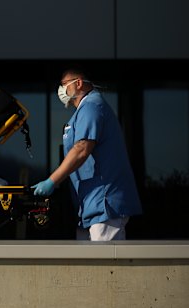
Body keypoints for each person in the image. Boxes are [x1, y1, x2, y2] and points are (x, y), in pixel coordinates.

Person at [32, 68, 142, 241]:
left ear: (79, 83)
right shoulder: (83, 110)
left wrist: (52, 181)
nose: (61, 91)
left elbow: (81, 149)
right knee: (87, 265)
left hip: (104, 203)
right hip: (90, 204)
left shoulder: (92, 106)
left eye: (64, 85)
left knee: (105, 265)